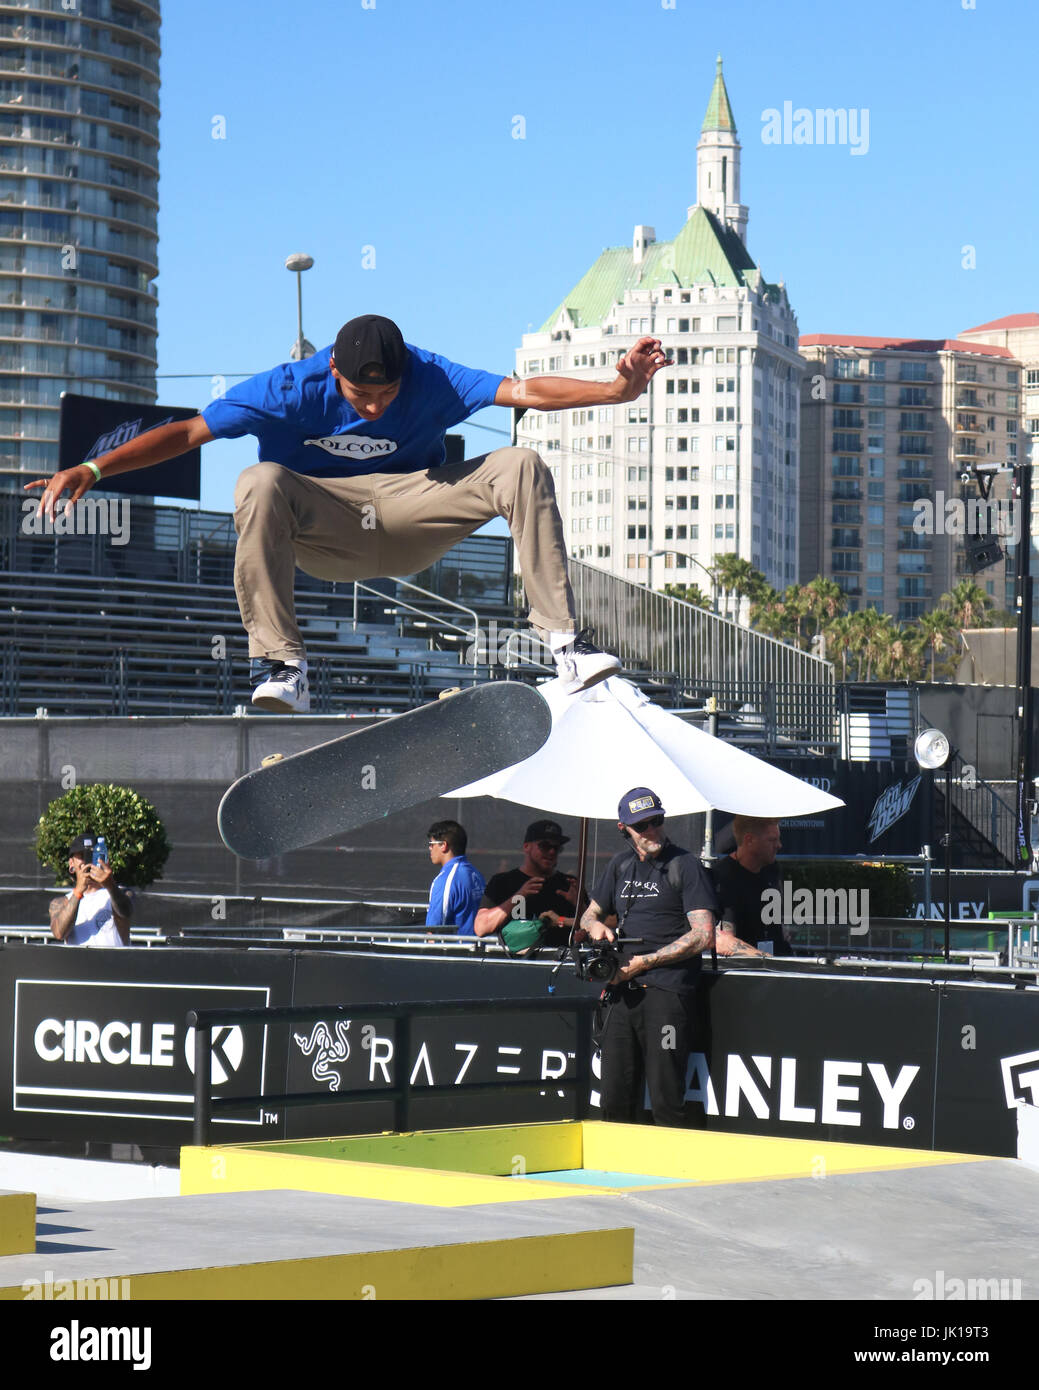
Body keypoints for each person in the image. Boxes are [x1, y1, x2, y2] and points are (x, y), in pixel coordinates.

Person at [27, 315, 670, 712]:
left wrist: (616, 389)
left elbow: (523, 391)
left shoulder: (431, 376)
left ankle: (565, 645)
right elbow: (189, 433)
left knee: (520, 463)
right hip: (327, 526)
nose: (373, 406)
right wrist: (93, 467)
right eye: (361, 395)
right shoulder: (286, 388)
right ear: (333, 370)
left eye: (386, 395)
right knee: (258, 480)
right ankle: (284, 666)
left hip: (412, 508)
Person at [580, 788, 761, 1127]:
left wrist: (644, 963)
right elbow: (589, 915)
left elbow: (703, 935)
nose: (652, 831)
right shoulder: (620, 865)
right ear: (624, 830)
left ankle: (670, 1176)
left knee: (666, 1094)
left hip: (666, 993)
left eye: (657, 821)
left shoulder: (685, 864)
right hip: (622, 994)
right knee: (614, 1094)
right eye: (642, 826)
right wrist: (596, 930)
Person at [474, 818, 583, 948]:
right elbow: (481, 928)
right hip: (515, 964)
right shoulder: (503, 882)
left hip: (560, 964)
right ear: (527, 847)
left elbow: (594, 925)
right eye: (545, 846)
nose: (552, 852)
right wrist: (518, 897)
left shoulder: (569, 884)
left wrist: (578, 903)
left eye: (557, 847)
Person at [713, 816, 791, 957]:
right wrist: (769, 960)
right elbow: (723, 941)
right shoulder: (723, 878)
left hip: (779, 964)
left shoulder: (772, 868)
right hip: (746, 971)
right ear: (749, 840)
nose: (779, 845)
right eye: (772, 840)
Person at [49, 834, 133, 947]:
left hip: (113, 963)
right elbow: (59, 933)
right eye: (82, 856)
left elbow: (125, 912)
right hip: (80, 964)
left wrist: (110, 884)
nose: (87, 861)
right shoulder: (63, 901)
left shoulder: (117, 893)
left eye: (92, 855)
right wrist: (79, 891)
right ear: (71, 864)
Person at [425, 819, 485, 936]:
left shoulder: (445, 880)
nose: (429, 848)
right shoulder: (476, 874)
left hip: (455, 952)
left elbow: (434, 932)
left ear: (443, 845)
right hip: (478, 950)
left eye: (432, 844)